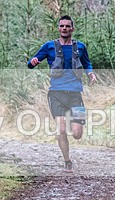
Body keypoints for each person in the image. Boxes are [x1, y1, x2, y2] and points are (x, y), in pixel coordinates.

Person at [28, 15, 97, 172]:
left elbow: (87, 63)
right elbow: (32, 62)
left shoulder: (80, 47)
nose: (64, 28)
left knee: (78, 134)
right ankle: (67, 161)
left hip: (75, 94)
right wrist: (33, 62)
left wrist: (91, 73)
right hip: (56, 94)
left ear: (72, 29)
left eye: (67, 26)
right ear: (58, 28)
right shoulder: (49, 46)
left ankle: (75, 127)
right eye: (62, 26)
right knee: (61, 129)